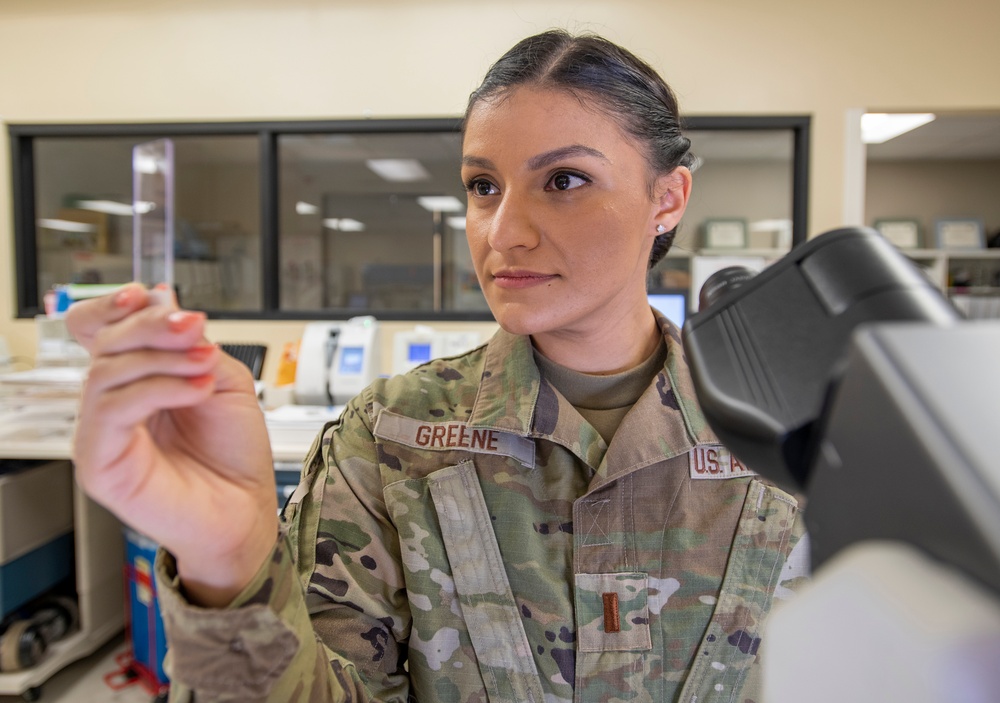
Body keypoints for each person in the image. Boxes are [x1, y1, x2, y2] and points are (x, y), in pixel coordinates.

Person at [68, 29, 809, 703]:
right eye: (483, 186)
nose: (503, 231)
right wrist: (228, 566)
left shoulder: (792, 433)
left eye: (565, 181)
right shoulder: (395, 437)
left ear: (667, 198)